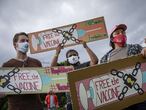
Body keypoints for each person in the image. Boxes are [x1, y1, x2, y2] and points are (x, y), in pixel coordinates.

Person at [100, 24, 146, 110]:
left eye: (123, 32)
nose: (121, 34)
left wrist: (145, 50)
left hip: (140, 98)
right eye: (117, 33)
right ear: (112, 39)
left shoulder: (135, 47)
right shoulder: (105, 59)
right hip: (119, 100)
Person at [51, 40, 98, 110]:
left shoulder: (84, 65)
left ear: (78, 57)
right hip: (71, 102)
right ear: (67, 59)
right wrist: (57, 52)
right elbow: (52, 67)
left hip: (86, 99)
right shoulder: (64, 69)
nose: (73, 56)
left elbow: (95, 61)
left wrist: (86, 47)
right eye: (70, 56)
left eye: (74, 55)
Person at [1, 32, 43, 110]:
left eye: (27, 41)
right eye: (22, 41)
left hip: (37, 107)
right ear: (15, 45)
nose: (26, 43)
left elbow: (44, 83)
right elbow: (2, 92)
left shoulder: (37, 63)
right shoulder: (7, 65)